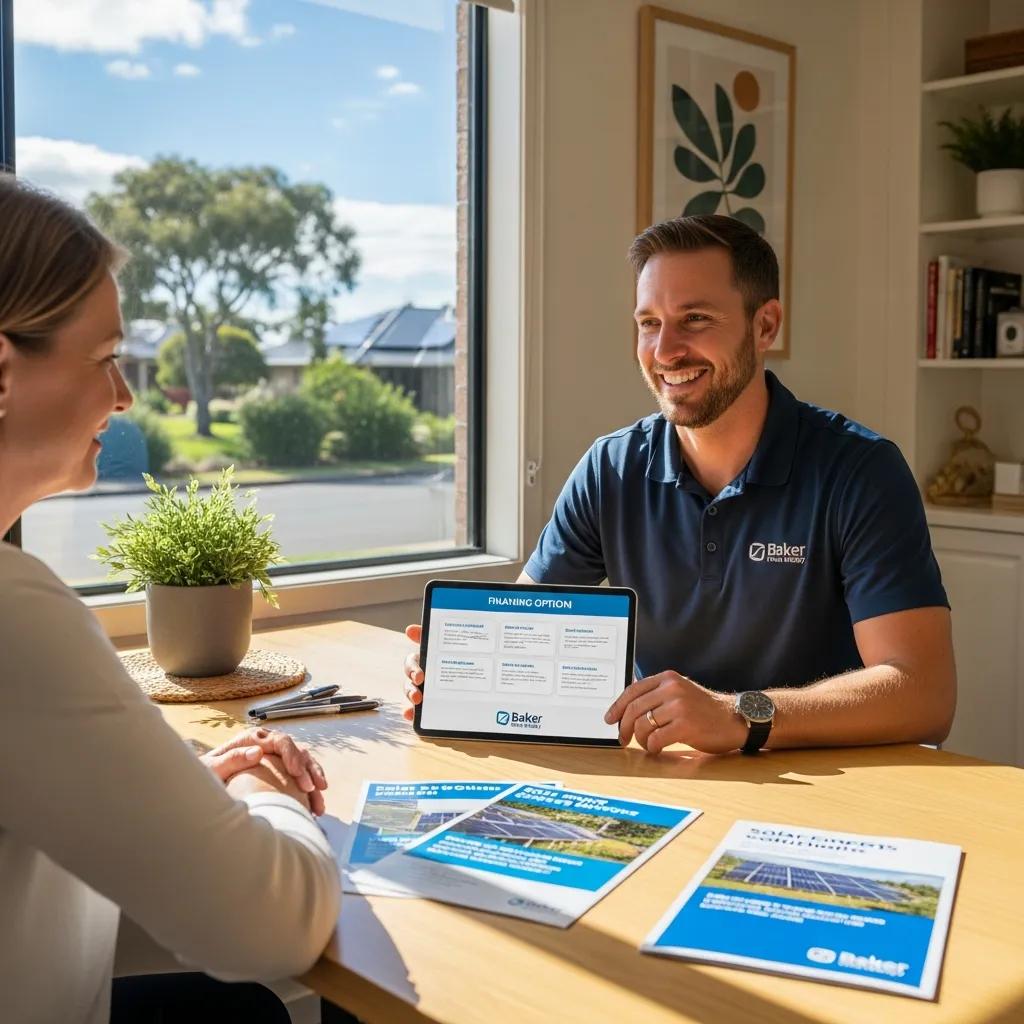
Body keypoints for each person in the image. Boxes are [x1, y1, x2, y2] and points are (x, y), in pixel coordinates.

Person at [403, 214, 956, 757]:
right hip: (667, 774)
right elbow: (521, 623)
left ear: (765, 326)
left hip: (829, 784)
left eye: (694, 319)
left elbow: (924, 693)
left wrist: (738, 714)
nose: (664, 351)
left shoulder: (861, 470)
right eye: (649, 322)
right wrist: (458, 666)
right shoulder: (609, 469)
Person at [0, 174, 341, 1023]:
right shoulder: (15, 615)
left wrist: (180, 786)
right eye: (107, 358)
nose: (123, 397)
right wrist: (269, 787)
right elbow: (271, 929)